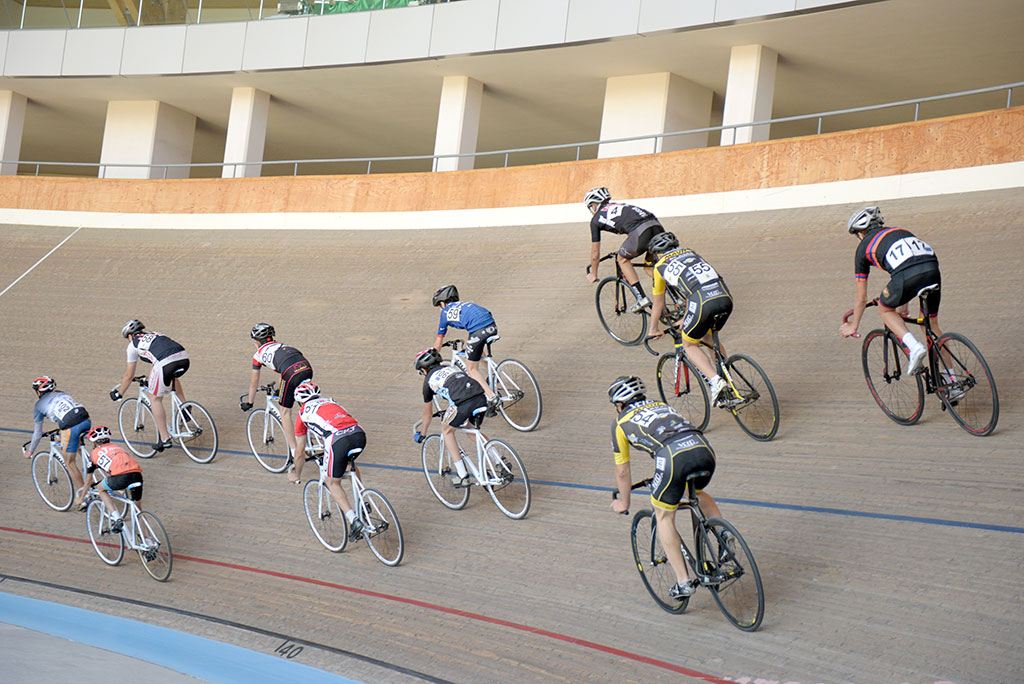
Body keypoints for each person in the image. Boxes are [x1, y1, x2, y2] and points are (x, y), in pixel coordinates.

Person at [606, 375, 727, 601]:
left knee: (663, 515)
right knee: (695, 493)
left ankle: (683, 582)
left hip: (672, 457)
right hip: (702, 448)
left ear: (619, 405)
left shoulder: (620, 422)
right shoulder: (660, 404)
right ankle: (724, 535)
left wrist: (624, 502)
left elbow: (622, 471)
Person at [839, 206, 941, 375]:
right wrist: (903, 305)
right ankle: (951, 379)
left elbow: (861, 297)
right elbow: (911, 263)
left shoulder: (863, 248)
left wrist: (854, 326)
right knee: (931, 326)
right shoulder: (900, 231)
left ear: (860, 233)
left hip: (907, 276)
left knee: (885, 308)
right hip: (932, 271)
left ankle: (914, 347)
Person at [644, 232, 732, 404]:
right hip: (724, 296)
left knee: (689, 344)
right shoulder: (690, 252)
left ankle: (716, 381)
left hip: (702, 302)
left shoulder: (660, 266)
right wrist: (686, 316)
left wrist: (653, 329)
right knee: (708, 337)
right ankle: (727, 378)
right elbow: (694, 284)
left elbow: (658, 304)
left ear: (657, 254)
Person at [288, 382, 366, 541]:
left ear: (299, 402)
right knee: (349, 465)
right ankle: (364, 503)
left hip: (337, 440)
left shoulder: (302, 414)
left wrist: (296, 473)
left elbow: (300, 451)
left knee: (332, 482)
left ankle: (354, 520)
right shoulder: (331, 401)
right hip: (358, 434)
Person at [110, 319, 189, 453]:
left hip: (165, 363)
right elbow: (157, 358)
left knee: (155, 399)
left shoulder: (132, 346)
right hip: (183, 357)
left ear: (130, 336)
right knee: (172, 377)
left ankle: (164, 438)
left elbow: (129, 375)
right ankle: (185, 408)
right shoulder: (155, 334)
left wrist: (119, 393)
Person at [413, 348, 488, 487]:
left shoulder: (428, 381)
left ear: (424, 370)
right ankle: (499, 460)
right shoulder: (450, 368)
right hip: (480, 396)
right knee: (472, 431)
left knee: (447, 431)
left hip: (463, 403)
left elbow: (427, 413)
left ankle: (462, 475)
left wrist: (422, 434)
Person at [584, 187, 665, 312]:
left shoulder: (595, 220)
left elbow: (595, 253)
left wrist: (594, 273)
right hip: (656, 226)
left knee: (621, 258)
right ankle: (676, 291)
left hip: (640, 232)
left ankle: (641, 298)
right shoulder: (619, 205)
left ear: (594, 205)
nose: (591, 210)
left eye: (590, 207)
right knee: (649, 267)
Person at [241, 323, 313, 458]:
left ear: (257, 341)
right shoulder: (281, 345)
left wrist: (250, 402)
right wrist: (280, 389)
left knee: (285, 412)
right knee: (304, 401)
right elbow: (283, 370)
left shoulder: (258, 355)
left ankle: (295, 451)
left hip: (290, 372)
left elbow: (254, 383)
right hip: (306, 367)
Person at [23, 376, 92, 509]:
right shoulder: (61, 393)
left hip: (70, 425)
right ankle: (92, 464)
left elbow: (37, 433)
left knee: (69, 463)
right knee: (71, 441)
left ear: (39, 392)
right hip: (85, 418)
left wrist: (30, 451)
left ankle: (85, 497)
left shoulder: (38, 406)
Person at [430, 284, 500, 414]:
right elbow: (473, 325)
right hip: (490, 325)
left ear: (443, 303)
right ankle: (494, 374)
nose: (439, 309)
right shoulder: (464, 305)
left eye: (439, 306)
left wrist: (432, 356)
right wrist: (466, 345)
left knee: (471, 369)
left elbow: (438, 342)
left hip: (478, 330)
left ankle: (491, 397)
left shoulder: (445, 313)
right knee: (476, 350)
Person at [83, 426, 143, 532]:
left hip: (120, 478)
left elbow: (88, 481)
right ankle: (148, 538)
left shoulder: (94, 454)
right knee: (138, 510)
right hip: (137, 475)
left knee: (100, 489)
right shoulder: (118, 447)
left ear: (94, 443)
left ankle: (116, 518)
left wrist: (81, 497)